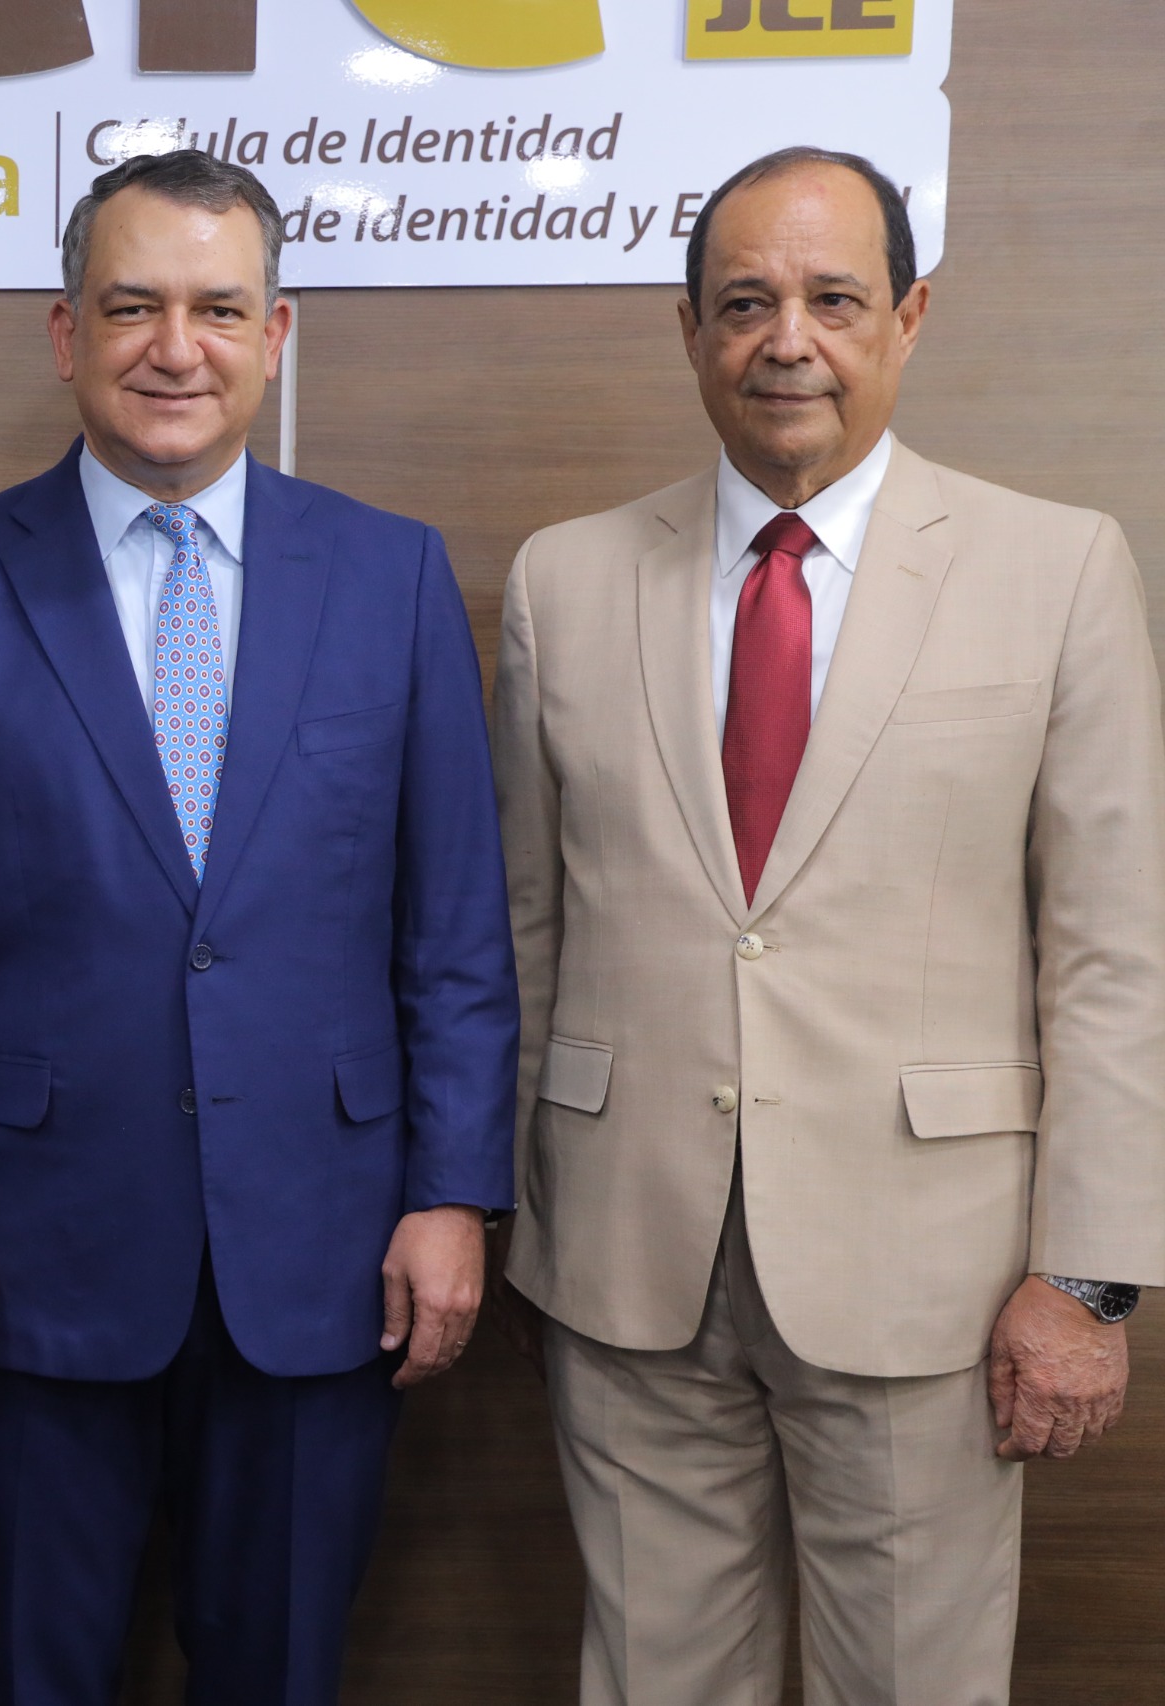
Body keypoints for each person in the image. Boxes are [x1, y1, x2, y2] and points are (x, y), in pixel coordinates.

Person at [0, 149, 518, 1705]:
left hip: (327, 1255)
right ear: (65, 331)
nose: (175, 347)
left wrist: (454, 1192)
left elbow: (456, 931)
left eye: (218, 308)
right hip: (23, 1263)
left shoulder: (392, 573)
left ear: (276, 335)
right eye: (131, 304)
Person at [494, 146, 1165, 1705]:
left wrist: (1089, 1277)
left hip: (934, 1278)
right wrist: (518, 1212)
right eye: (743, 303)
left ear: (909, 317)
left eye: (834, 299)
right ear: (690, 331)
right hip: (625, 1262)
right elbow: (527, 928)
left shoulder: (1057, 569)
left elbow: (1113, 956)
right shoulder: (563, 583)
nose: (785, 338)